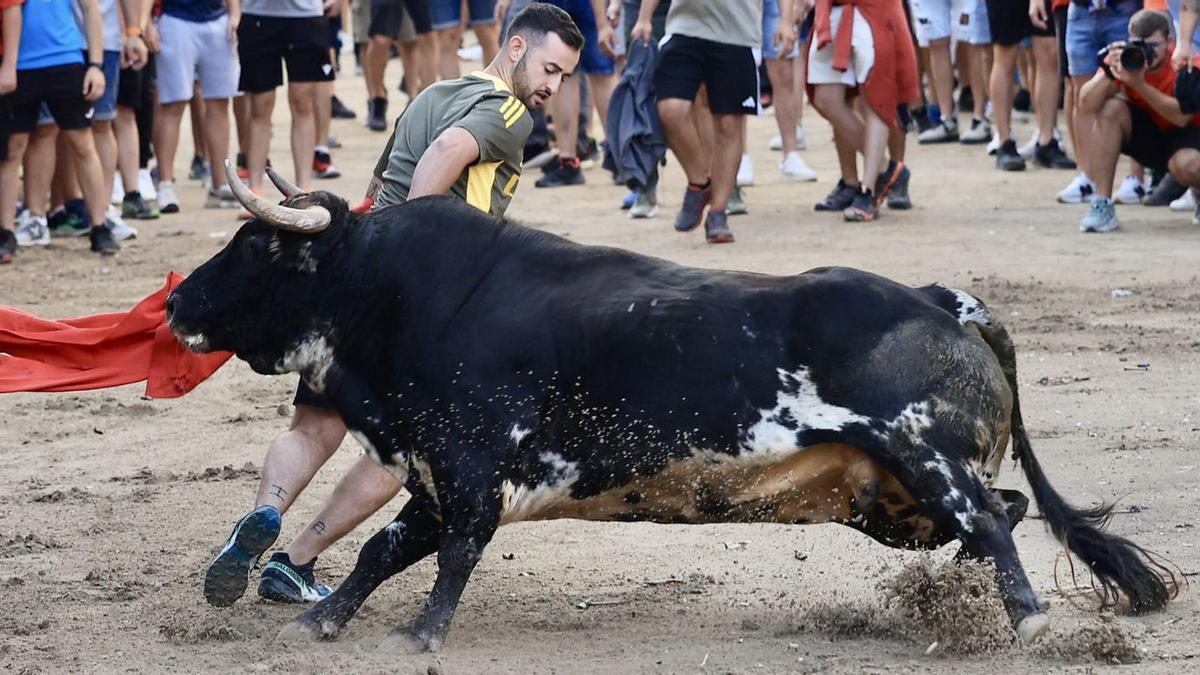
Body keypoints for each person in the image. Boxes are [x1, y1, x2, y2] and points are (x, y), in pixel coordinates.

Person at [202, 2, 583, 607]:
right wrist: (410, 251)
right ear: (515, 48)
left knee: (314, 426)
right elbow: (445, 156)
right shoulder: (507, 110)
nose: (552, 87)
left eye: (562, 77)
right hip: (418, 305)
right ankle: (296, 559)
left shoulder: (432, 92)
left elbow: (376, 192)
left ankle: (266, 511)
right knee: (400, 457)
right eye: (551, 68)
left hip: (354, 288)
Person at [633, 0, 786, 243]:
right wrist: (644, 17)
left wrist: (785, 20)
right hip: (685, 26)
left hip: (738, 32)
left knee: (728, 123)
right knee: (671, 110)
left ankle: (718, 212)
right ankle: (700, 182)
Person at [0, 0, 122, 260]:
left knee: (81, 143)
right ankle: (10, 230)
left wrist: (96, 65)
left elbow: (91, 9)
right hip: (19, 63)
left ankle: (99, 225)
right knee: (14, 148)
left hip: (66, 58)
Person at [1078, 9, 1200, 232]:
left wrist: (1138, 84)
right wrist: (1108, 73)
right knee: (1110, 110)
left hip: (1189, 136)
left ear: (1169, 41)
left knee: (1188, 165)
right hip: (1151, 137)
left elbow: (1182, 117)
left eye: (1152, 46)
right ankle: (1101, 204)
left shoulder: (1183, 64)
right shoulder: (1126, 60)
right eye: (1139, 44)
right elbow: (1086, 105)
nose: (1146, 53)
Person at [807, 0, 918, 221]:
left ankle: (868, 190)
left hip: (874, 9)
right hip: (831, 9)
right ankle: (886, 169)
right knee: (826, 98)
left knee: (876, 96)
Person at [238, 0, 336, 199]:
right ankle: (255, 188)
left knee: (302, 101)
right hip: (258, 14)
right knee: (260, 104)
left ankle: (303, 188)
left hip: (305, 14)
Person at [152, 0, 240, 213]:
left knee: (219, 103)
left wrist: (235, 13)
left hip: (217, 18)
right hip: (175, 18)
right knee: (172, 105)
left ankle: (220, 183)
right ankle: (165, 184)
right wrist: (144, 23)